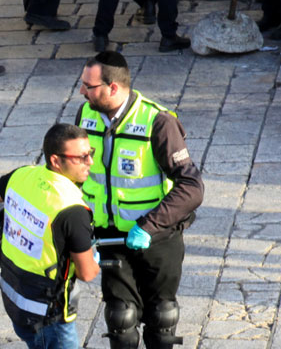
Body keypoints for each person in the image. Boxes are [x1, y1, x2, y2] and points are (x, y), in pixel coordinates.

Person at [74, 52, 203, 349]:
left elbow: (192, 186)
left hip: (157, 237)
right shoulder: (85, 115)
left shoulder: (158, 123)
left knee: (162, 317)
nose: (82, 91)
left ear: (113, 88)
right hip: (110, 236)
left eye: (88, 86)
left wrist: (147, 226)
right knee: (121, 317)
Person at [0, 123, 100, 349]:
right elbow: (87, 273)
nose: (90, 162)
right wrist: (94, 261)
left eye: (90, 153)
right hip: (50, 316)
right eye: (81, 157)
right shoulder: (72, 210)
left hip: (15, 300)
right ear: (56, 161)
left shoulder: (21, 176)